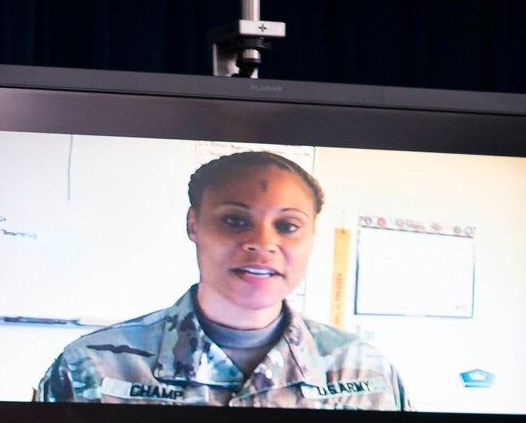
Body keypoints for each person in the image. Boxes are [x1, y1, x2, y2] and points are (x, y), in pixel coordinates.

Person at [36, 150, 412, 409]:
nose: (262, 243)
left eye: (288, 226)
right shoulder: (91, 366)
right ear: (193, 224)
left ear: (312, 236)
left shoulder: (365, 369)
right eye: (235, 220)